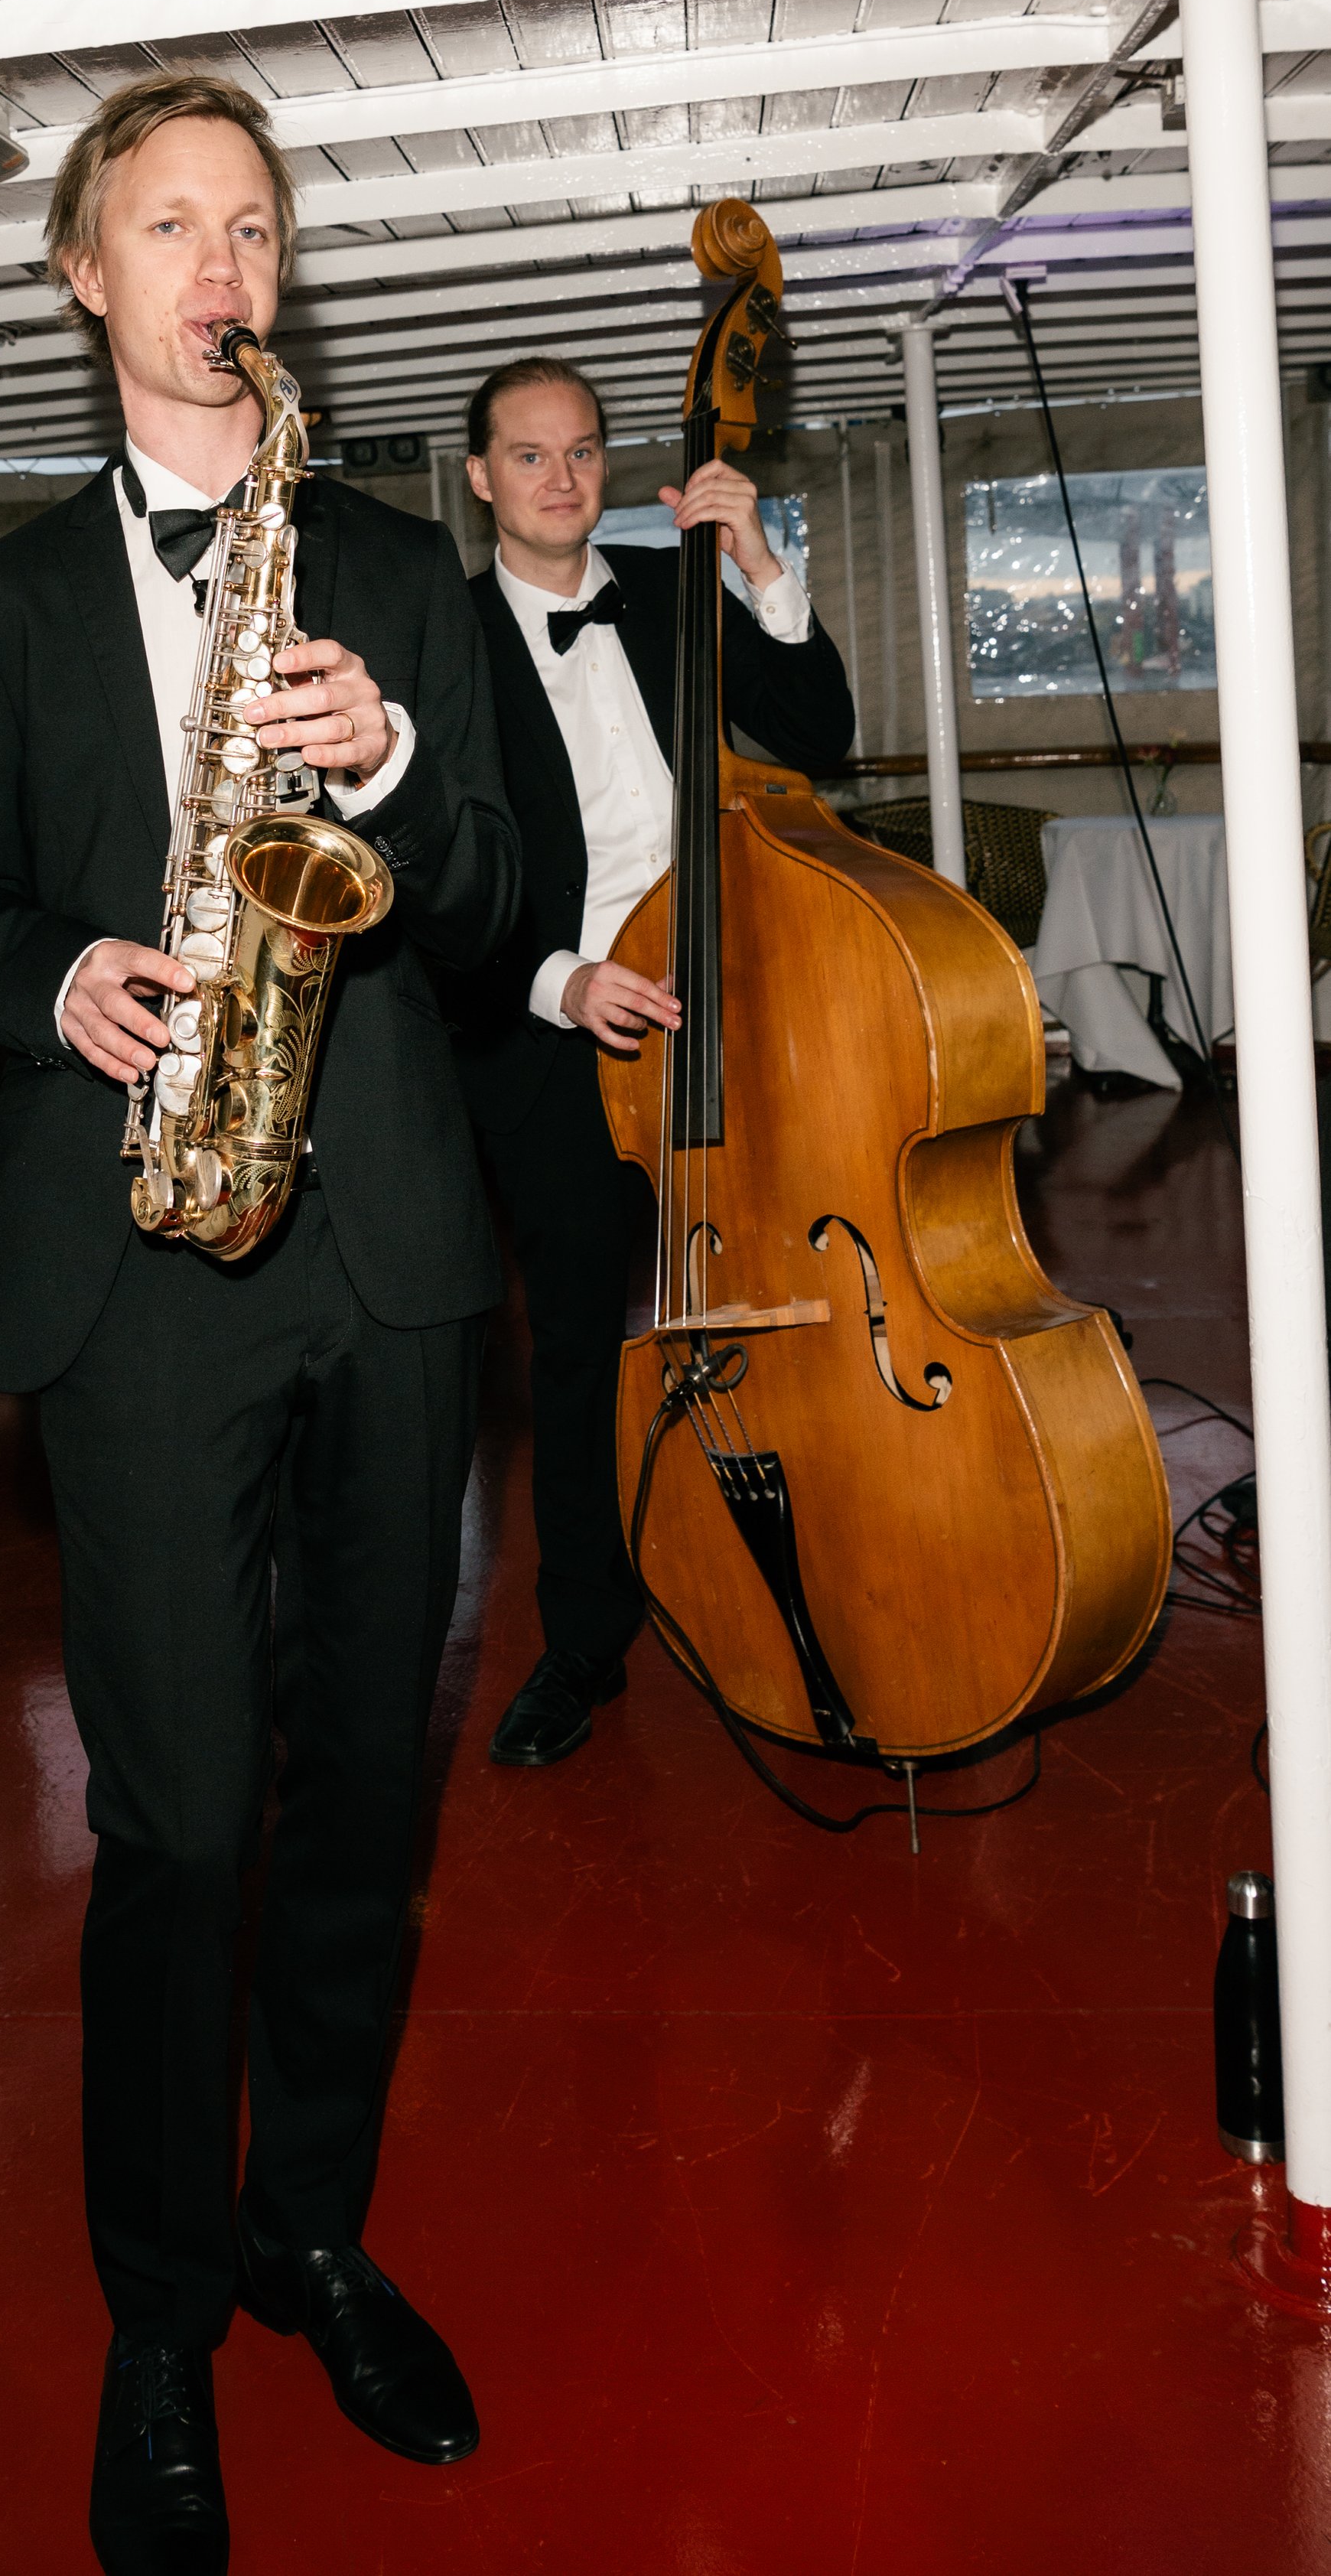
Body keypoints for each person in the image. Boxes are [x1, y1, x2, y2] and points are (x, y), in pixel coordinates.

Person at [0, 71, 519, 2576]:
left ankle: (313, 2231)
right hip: (142, 1264)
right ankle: (161, 2319)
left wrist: (382, 771)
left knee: (362, 1801)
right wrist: (55, 975)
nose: (223, 263)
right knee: (175, 1832)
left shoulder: (394, 565)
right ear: (83, 272)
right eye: (172, 225)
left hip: (378, 1256)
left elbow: (479, 902)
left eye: (255, 225)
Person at [455, 356, 855, 1770]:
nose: (563, 479)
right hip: (556, 1036)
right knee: (574, 1349)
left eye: (581, 451)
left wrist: (757, 561)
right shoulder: (445, 641)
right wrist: (565, 981)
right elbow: (435, 880)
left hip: (726, 1010)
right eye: (529, 456)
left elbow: (825, 736)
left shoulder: (677, 583)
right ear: (481, 478)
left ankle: (834, 1577)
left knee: (790, 1300)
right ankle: (583, 1646)